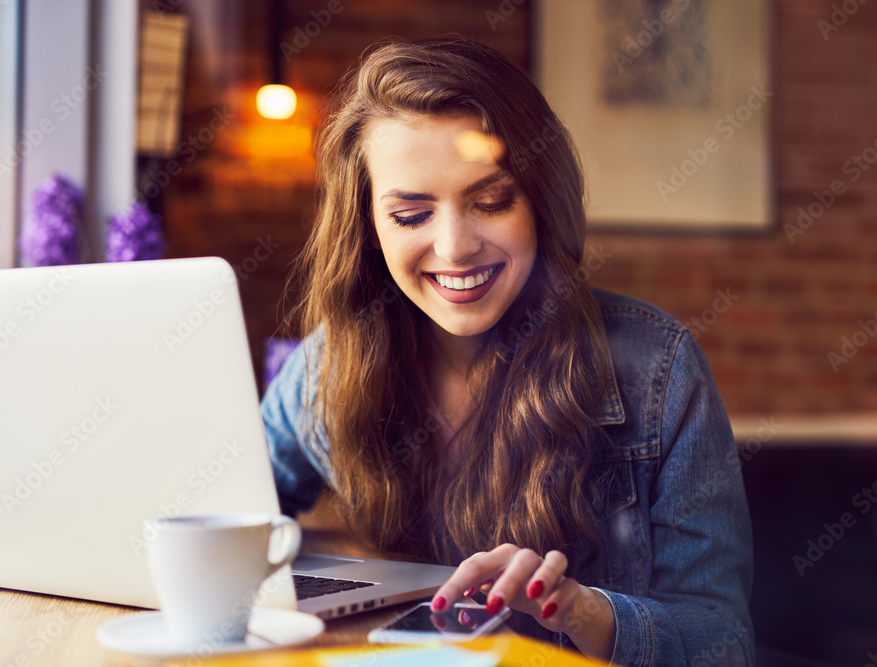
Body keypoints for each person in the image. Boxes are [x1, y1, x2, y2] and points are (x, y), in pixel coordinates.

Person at [262, 38, 754, 665]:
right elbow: (224, 516)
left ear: (542, 202)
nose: (456, 246)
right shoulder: (323, 370)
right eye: (411, 215)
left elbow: (723, 643)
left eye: (491, 202)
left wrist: (577, 609)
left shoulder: (657, 371)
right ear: (368, 228)